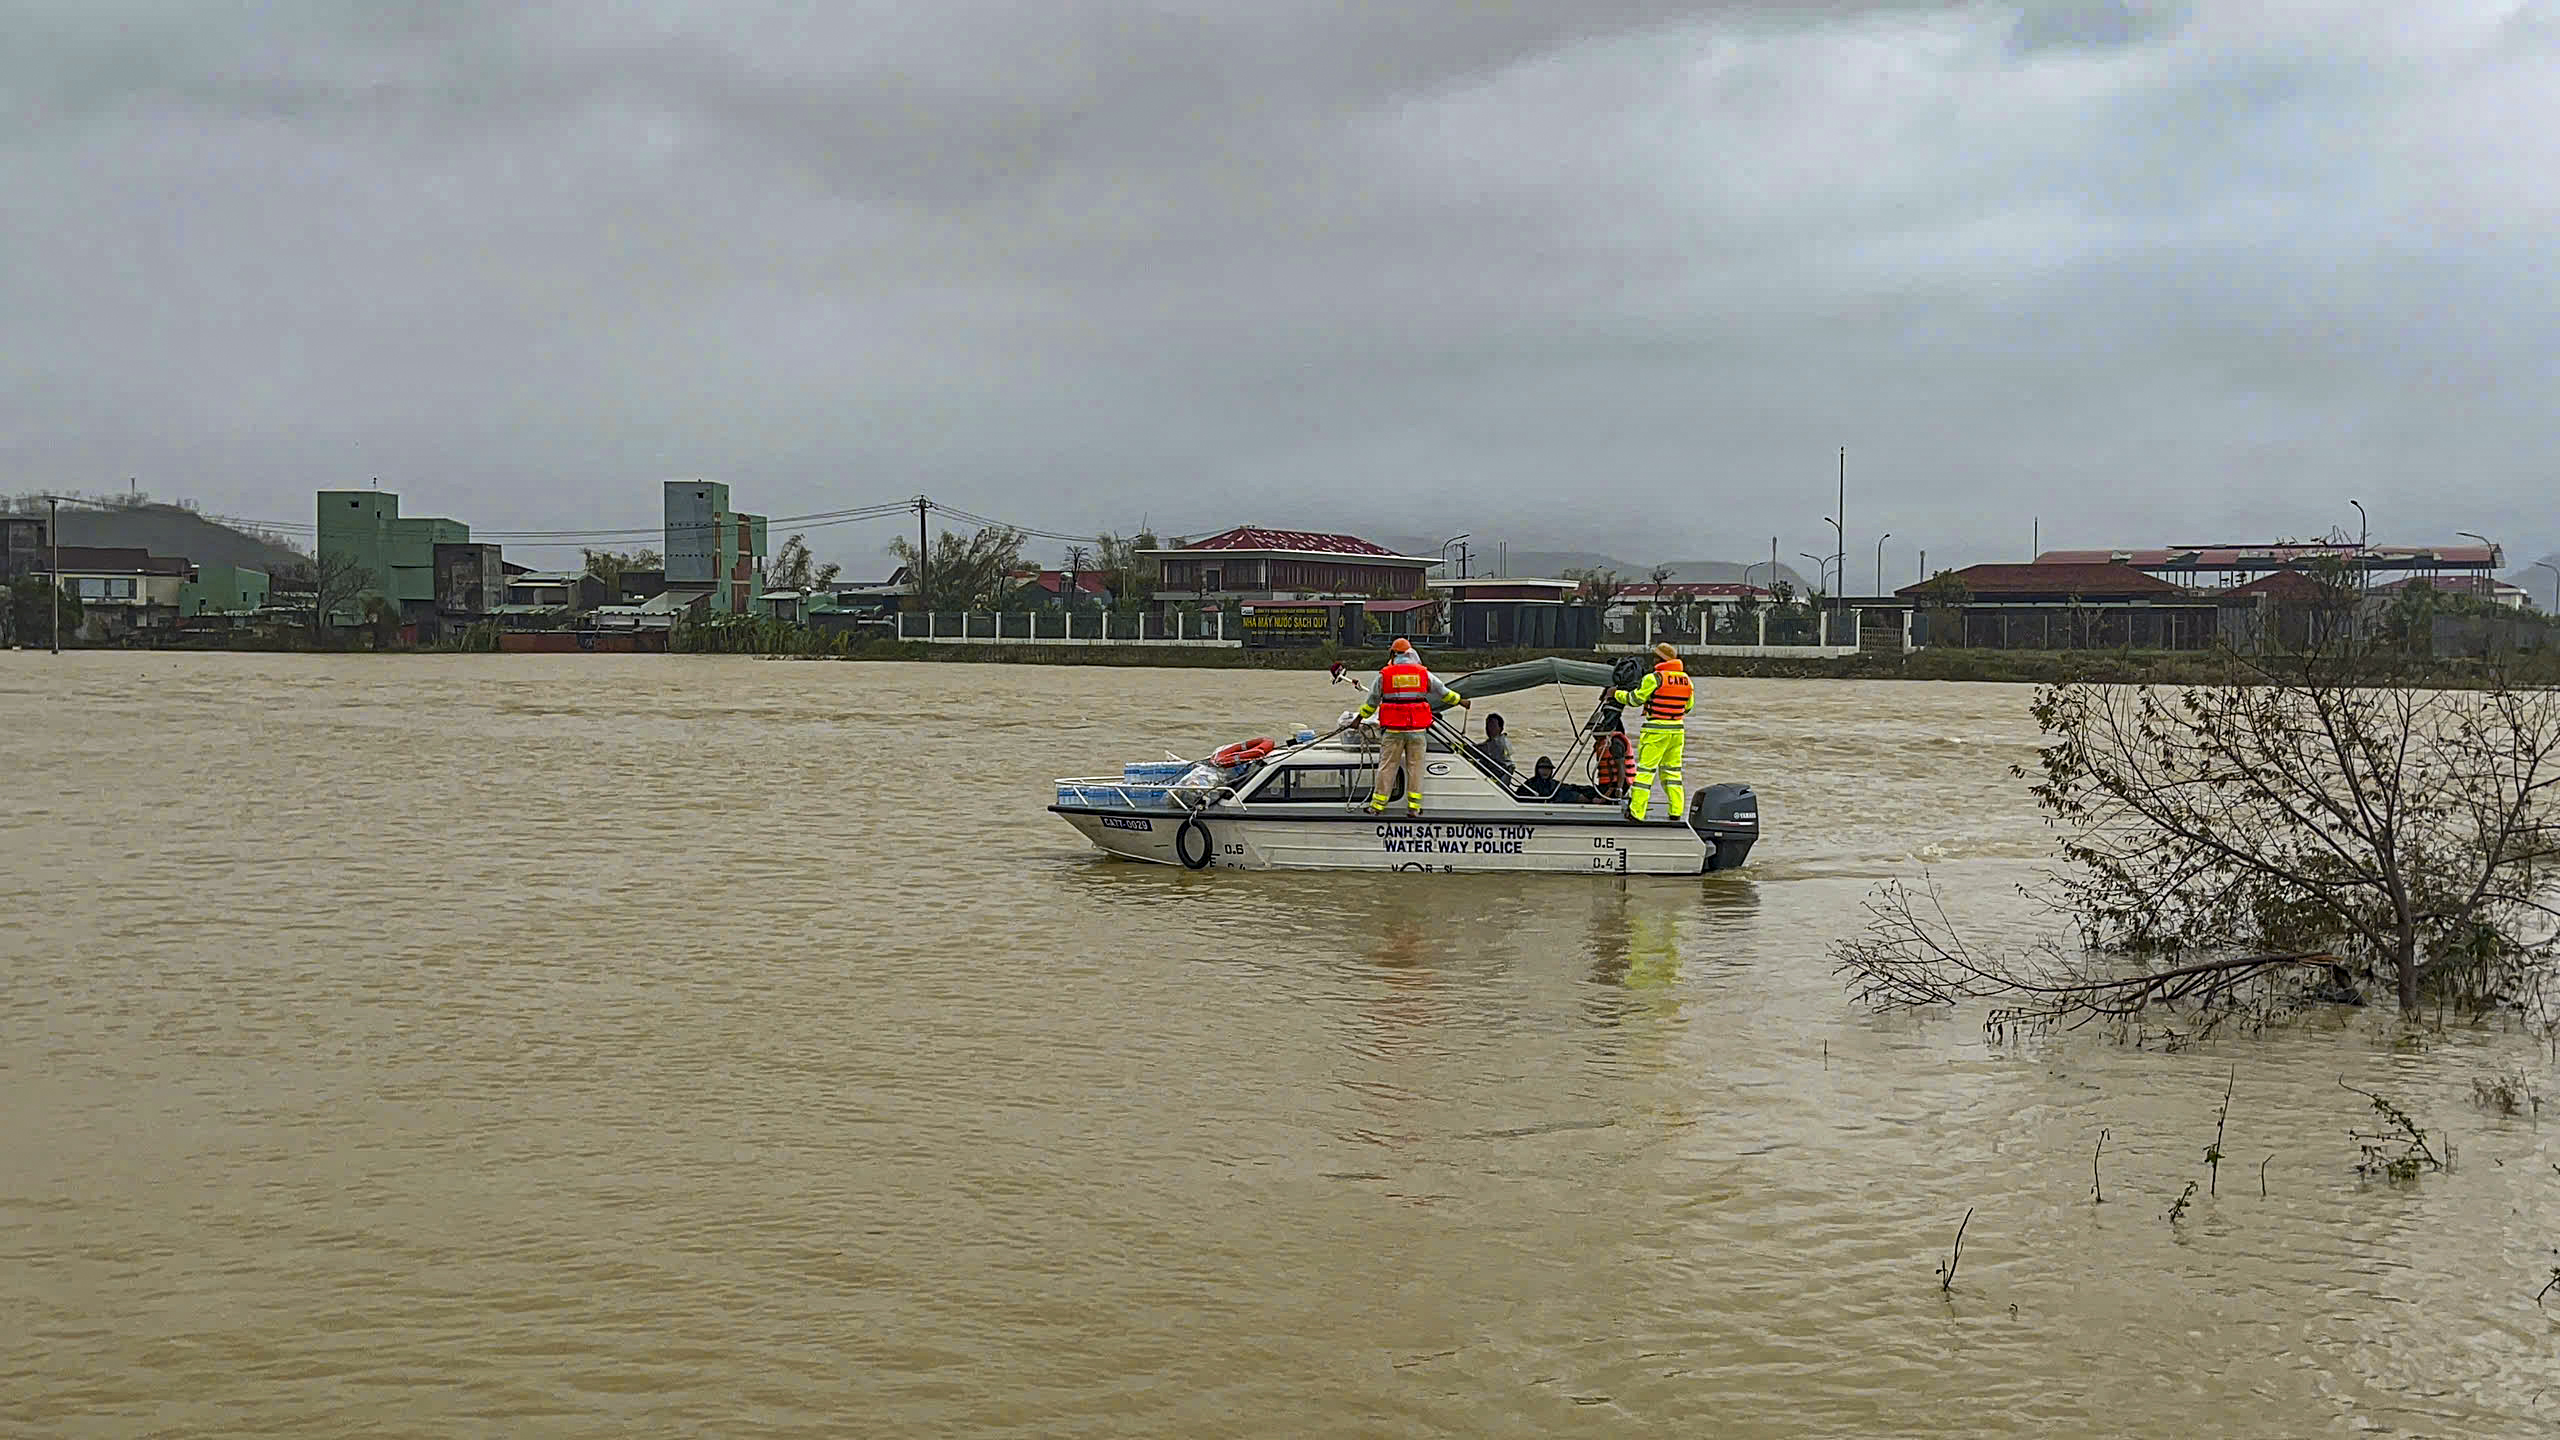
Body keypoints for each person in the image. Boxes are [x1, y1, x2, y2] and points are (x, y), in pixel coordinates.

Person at [1356, 637, 1466, 815]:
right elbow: (1443, 692)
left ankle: (1377, 807)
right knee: (1415, 768)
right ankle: (1414, 808)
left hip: (1393, 730)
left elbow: (1372, 702)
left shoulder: (1385, 674)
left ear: (1393, 653)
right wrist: (1461, 701)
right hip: (1417, 730)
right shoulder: (1423, 673)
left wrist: (1359, 717)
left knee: (1387, 767)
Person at [1611, 641, 1694, 821]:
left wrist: (1616, 694)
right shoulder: (1687, 680)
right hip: (1677, 731)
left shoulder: (1654, 678)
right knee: (1672, 772)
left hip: (1656, 730)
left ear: (1660, 659)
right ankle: (1676, 811)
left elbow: (1635, 699)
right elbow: (1688, 707)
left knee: (1645, 772)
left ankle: (1637, 812)